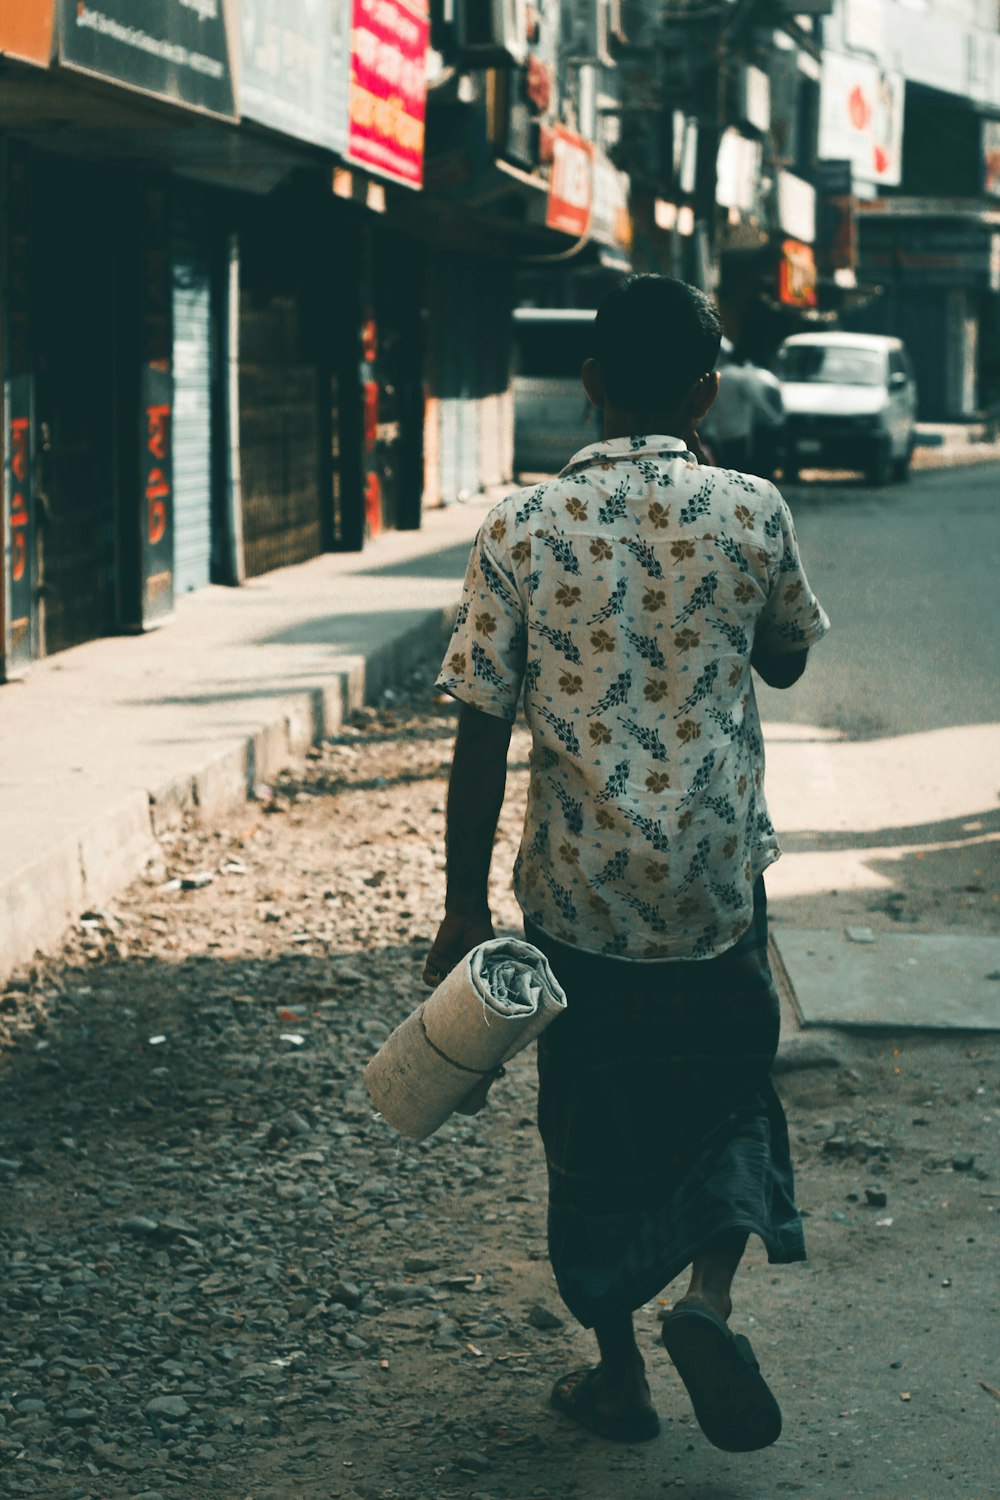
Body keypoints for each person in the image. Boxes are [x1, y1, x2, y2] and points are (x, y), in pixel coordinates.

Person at [423, 275, 829, 1453]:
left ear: (589, 382)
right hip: (712, 892)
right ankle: (705, 1304)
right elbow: (788, 662)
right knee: (730, 1097)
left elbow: (480, 730)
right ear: (707, 389)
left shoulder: (521, 527)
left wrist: (459, 910)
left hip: (576, 899)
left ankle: (617, 1375)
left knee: (593, 1129)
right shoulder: (751, 510)